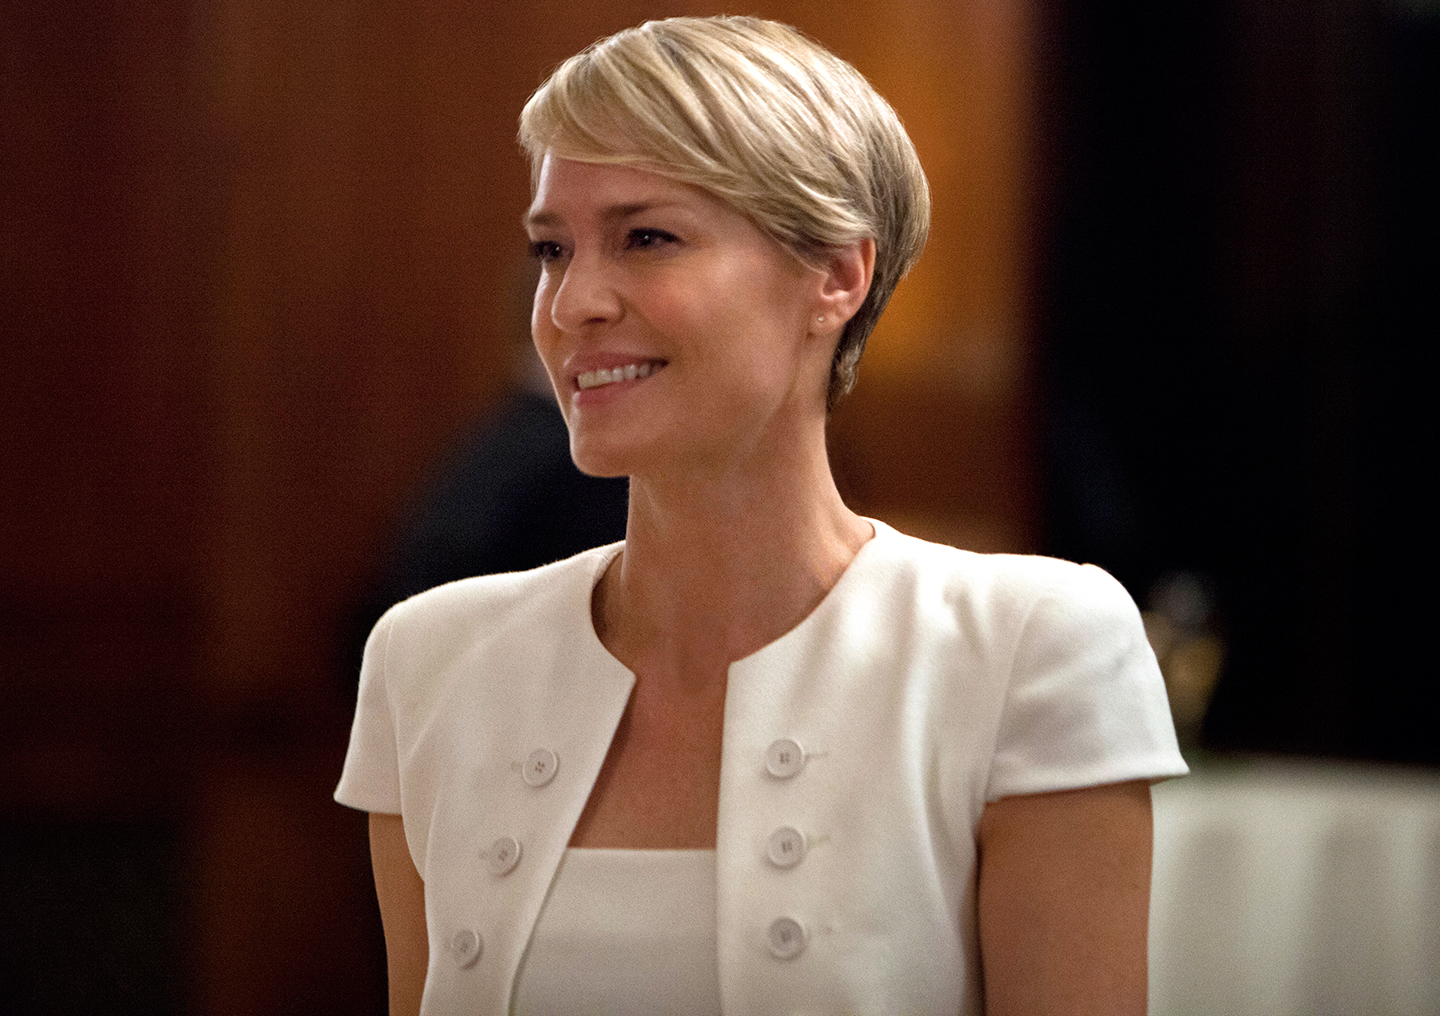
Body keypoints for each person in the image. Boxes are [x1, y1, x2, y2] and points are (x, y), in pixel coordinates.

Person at [336, 15, 1187, 1015]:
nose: (571, 304)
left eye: (647, 237)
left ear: (836, 275)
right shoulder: (431, 661)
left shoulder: (1026, 647)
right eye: (553, 249)